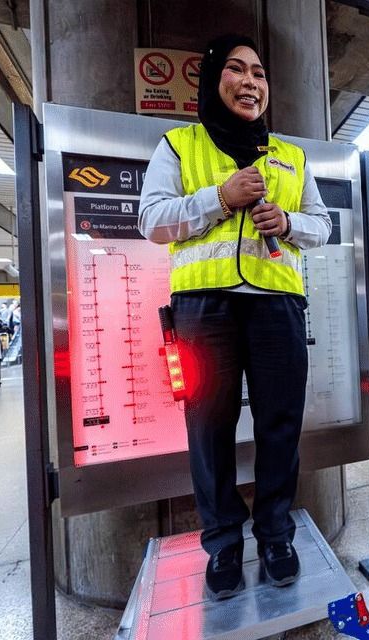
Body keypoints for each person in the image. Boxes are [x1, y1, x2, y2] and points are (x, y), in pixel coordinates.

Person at [138, 34, 331, 600]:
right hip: (205, 309)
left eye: (261, 74)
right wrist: (218, 198)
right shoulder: (178, 145)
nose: (251, 82)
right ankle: (223, 541)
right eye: (238, 70)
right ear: (212, 79)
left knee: (280, 426)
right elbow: (151, 220)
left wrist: (289, 223)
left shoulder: (292, 157)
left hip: (277, 308)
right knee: (209, 428)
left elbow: (322, 226)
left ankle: (275, 535)